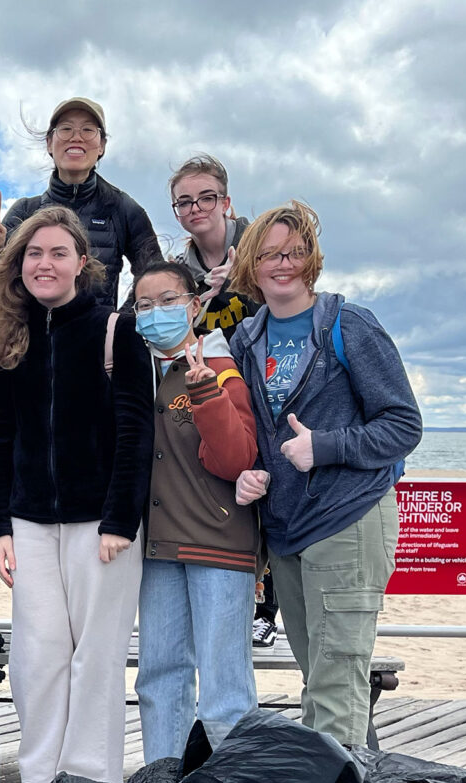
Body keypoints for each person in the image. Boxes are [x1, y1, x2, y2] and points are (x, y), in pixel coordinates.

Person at [231, 201, 422, 748]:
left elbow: (403, 425)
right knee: (324, 676)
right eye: (269, 254)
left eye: (293, 252)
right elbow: (258, 432)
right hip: (287, 528)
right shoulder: (248, 338)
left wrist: (327, 447)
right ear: (252, 264)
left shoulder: (349, 324)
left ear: (311, 258)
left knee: (336, 681)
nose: (282, 263)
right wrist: (253, 472)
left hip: (349, 519)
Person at [0, 205, 153, 783]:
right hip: (28, 521)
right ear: (18, 264)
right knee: (38, 656)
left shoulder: (116, 329)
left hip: (101, 523)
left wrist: (120, 520)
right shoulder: (7, 339)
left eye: (58, 252)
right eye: (33, 253)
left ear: (83, 262)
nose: (44, 263)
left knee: (96, 658)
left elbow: (136, 430)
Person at [130, 262, 260, 763]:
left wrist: (206, 392)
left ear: (194, 304)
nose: (156, 313)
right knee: (159, 680)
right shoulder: (135, 373)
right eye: (144, 305)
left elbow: (235, 460)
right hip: (158, 548)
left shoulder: (223, 369)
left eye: (167, 301)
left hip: (219, 547)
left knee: (225, 693)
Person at [166, 154, 278, 647]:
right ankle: (252, 595)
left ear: (226, 202)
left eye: (206, 197)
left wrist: (241, 286)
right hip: (218, 391)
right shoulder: (180, 270)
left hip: (271, 387)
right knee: (233, 489)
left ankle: (266, 604)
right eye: (185, 201)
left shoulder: (263, 247)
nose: (196, 208)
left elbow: (293, 297)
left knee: (270, 488)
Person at [0, 97, 160, 310]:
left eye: (87, 130)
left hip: (100, 340)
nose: (76, 137)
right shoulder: (25, 211)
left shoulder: (123, 209)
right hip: (33, 341)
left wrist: (119, 324)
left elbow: (156, 279)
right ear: (49, 143)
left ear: (101, 145)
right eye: (65, 129)